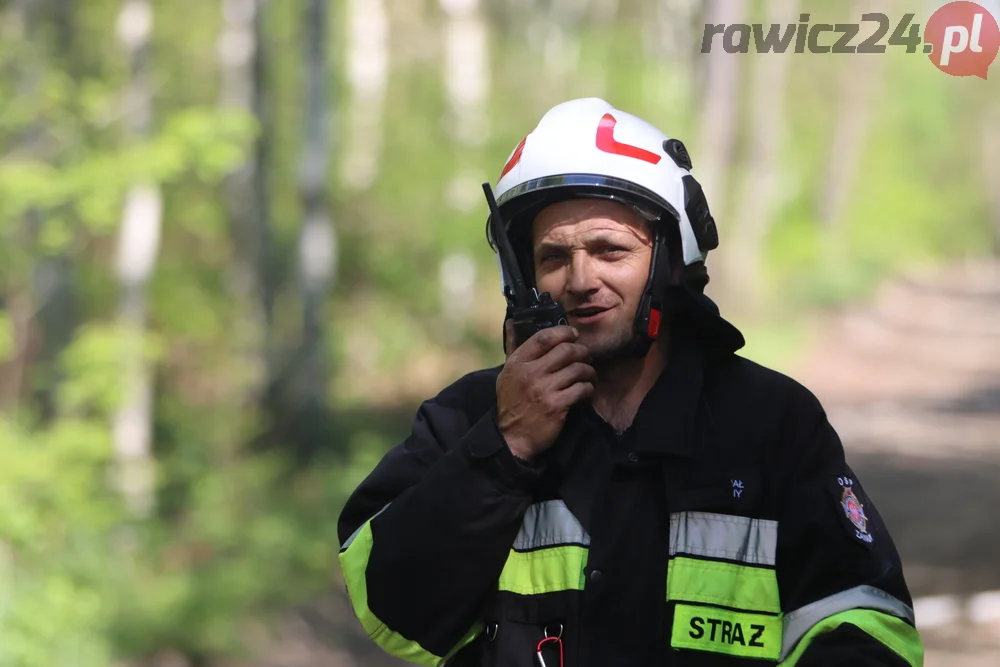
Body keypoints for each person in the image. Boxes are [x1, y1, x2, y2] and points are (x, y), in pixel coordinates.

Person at [337, 98, 924, 667]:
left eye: (610, 250)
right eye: (553, 257)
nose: (580, 279)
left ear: (670, 262)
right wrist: (506, 448)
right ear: (525, 275)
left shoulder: (769, 421)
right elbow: (395, 617)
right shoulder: (469, 417)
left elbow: (866, 622)